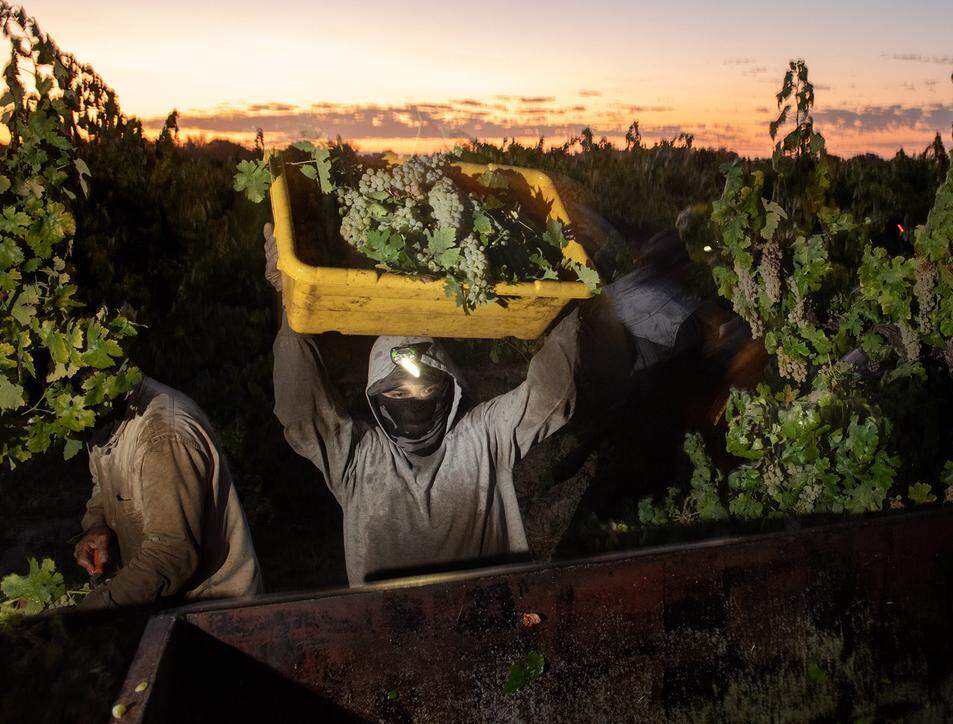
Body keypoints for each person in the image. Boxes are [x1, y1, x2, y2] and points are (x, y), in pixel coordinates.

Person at [264, 225, 580, 584]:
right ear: (376, 399)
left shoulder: (482, 437)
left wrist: (565, 299)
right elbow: (302, 409)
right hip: (391, 631)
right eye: (397, 394)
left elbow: (550, 396)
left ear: (449, 390)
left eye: (426, 390)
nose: (413, 403)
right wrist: (290, 301)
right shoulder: (355, 457)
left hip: (482, 621)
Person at [73, 377, 263, 609]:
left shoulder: (163, 438)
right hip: (162, 602)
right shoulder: (102, 414)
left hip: (212, 610)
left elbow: (171, 553)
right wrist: (97, 525)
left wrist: (97, 606)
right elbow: (102, 486)